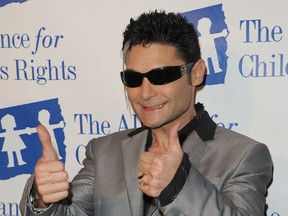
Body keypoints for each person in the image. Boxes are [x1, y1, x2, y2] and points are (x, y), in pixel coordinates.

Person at [20, 10, 273, 215]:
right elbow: (69, 213)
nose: (145, 92)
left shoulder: (244, 156)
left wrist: (178, 185)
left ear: (196, 73)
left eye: (161, 75)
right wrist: (42, 199)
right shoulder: (104, 150)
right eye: (133, 78)